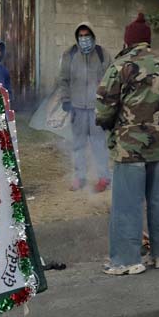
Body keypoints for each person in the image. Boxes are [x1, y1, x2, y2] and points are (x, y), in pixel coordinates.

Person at [96, 14, 159, 275]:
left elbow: (103, 108)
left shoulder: (120, 66)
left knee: (127, 204)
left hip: (129, 148)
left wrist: (112, 125)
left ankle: (126, 260)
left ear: (128, 40)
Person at [57, 21, 112, 192]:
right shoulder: (70, 54)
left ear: (93, 36)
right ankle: (79, 177)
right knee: (78, 144)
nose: (84, 39)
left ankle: (104, 178)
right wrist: (66, 99)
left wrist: (108, 104)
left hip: (97, 109)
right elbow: (63, 79)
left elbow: (111, 80)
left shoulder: (103, 54)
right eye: (80, 36)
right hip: (77, 108)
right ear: (77, 38)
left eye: (87, 35)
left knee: (99, 144)